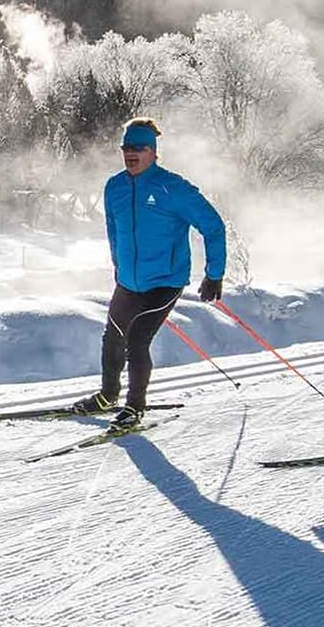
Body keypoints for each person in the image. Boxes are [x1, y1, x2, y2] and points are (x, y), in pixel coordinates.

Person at [72, 117, 228, 428]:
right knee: (112, 337)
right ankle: (107, 395)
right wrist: (119, 265)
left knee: (137, 339)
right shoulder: (114, 186)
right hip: (129, 281)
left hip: (165, 281)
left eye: (139, 148)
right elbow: (113, 229)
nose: (131, 153)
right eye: (126, 147)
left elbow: (213, 226)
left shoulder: (173, 187)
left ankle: (134, 407)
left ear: (153, 152)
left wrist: (214, 274)